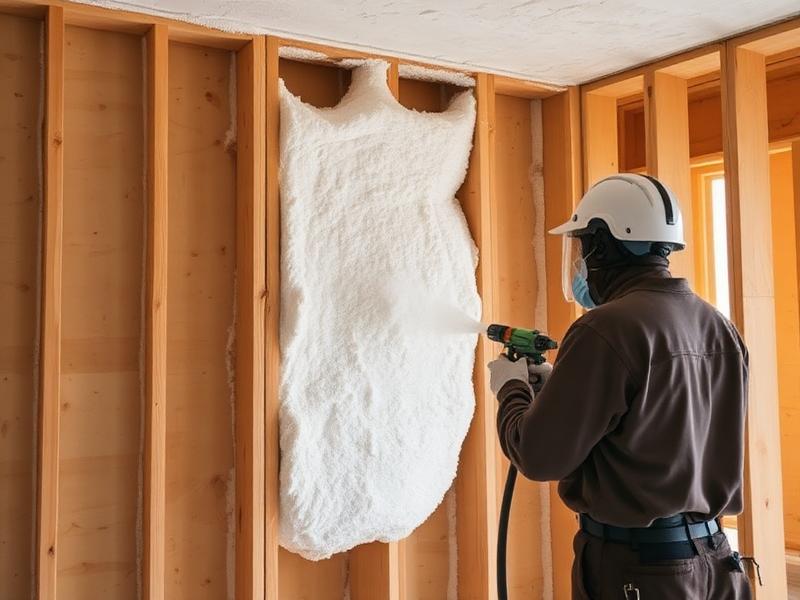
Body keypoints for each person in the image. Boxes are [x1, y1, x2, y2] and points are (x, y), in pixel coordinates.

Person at [488, 173, 752, 599]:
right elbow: (658, 424)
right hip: (717, 563)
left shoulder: (605, 328)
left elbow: (538, 457)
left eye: (582, 245)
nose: (579, 261)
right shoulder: (719, 326)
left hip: (641, 571)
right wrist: (561, 392)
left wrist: (510, 390)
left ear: (603, 244)